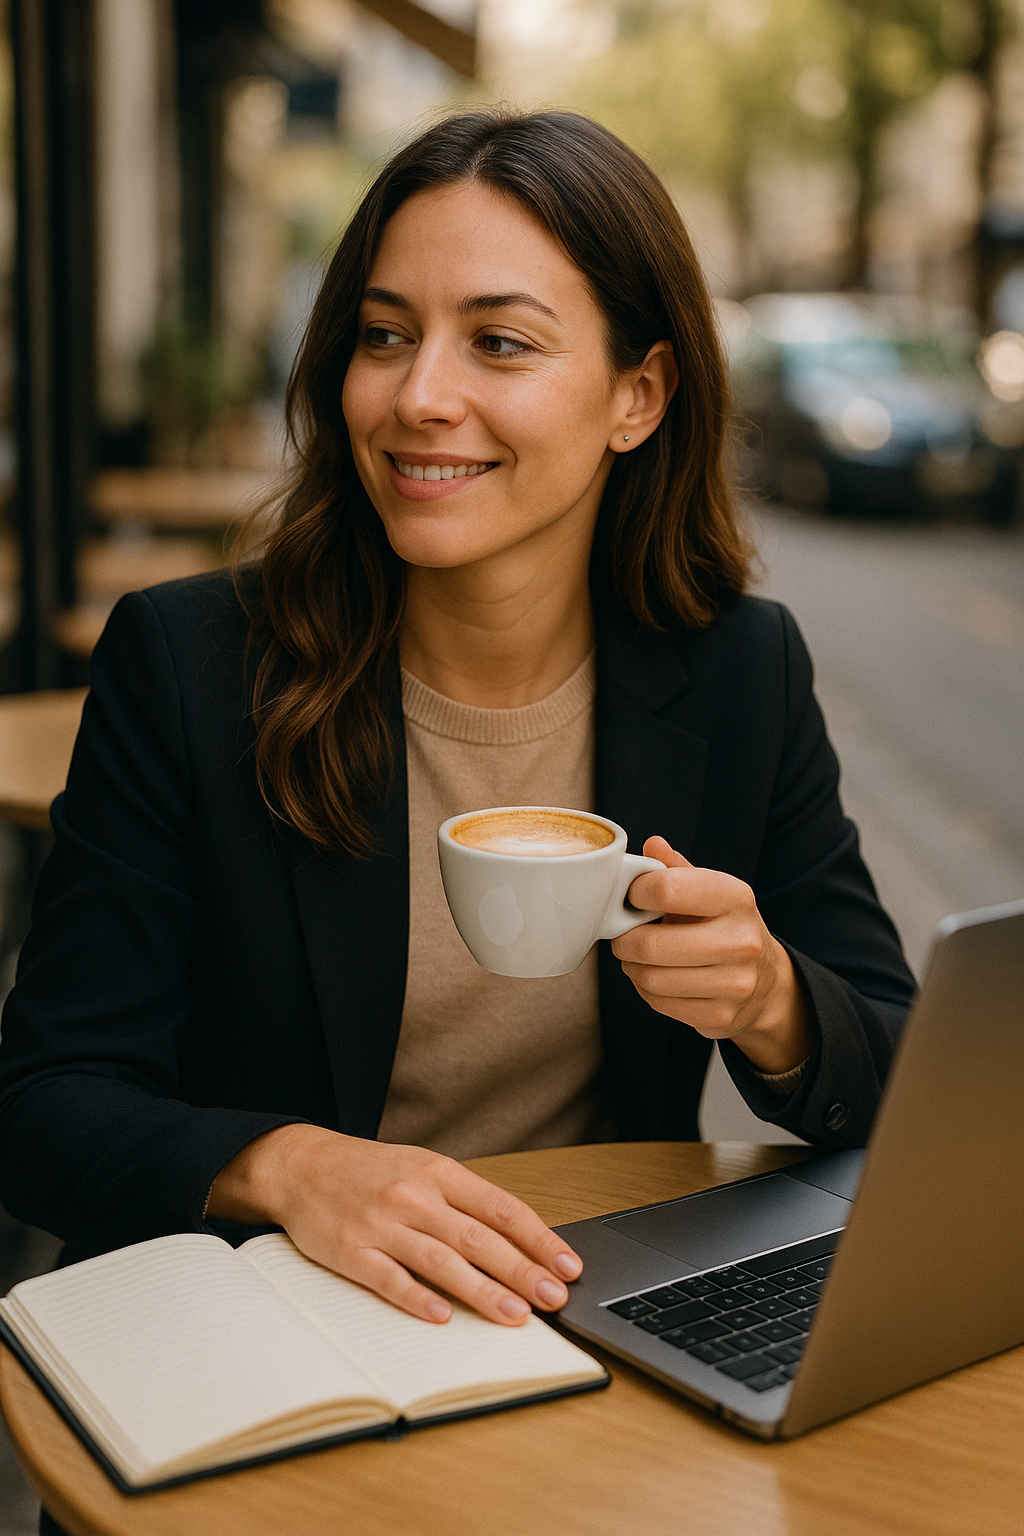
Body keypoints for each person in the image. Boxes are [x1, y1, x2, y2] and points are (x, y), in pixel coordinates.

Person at [0, 109, 914, 1342]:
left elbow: (910, 1073)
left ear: (635, 396)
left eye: (499, 342)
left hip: (584, 1324)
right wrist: (285, 1167)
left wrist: (770, 1001)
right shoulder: (191, 664)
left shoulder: (738, 669)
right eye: (385, 336)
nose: (421, 396)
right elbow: (44, 1106)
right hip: (266, 1334)